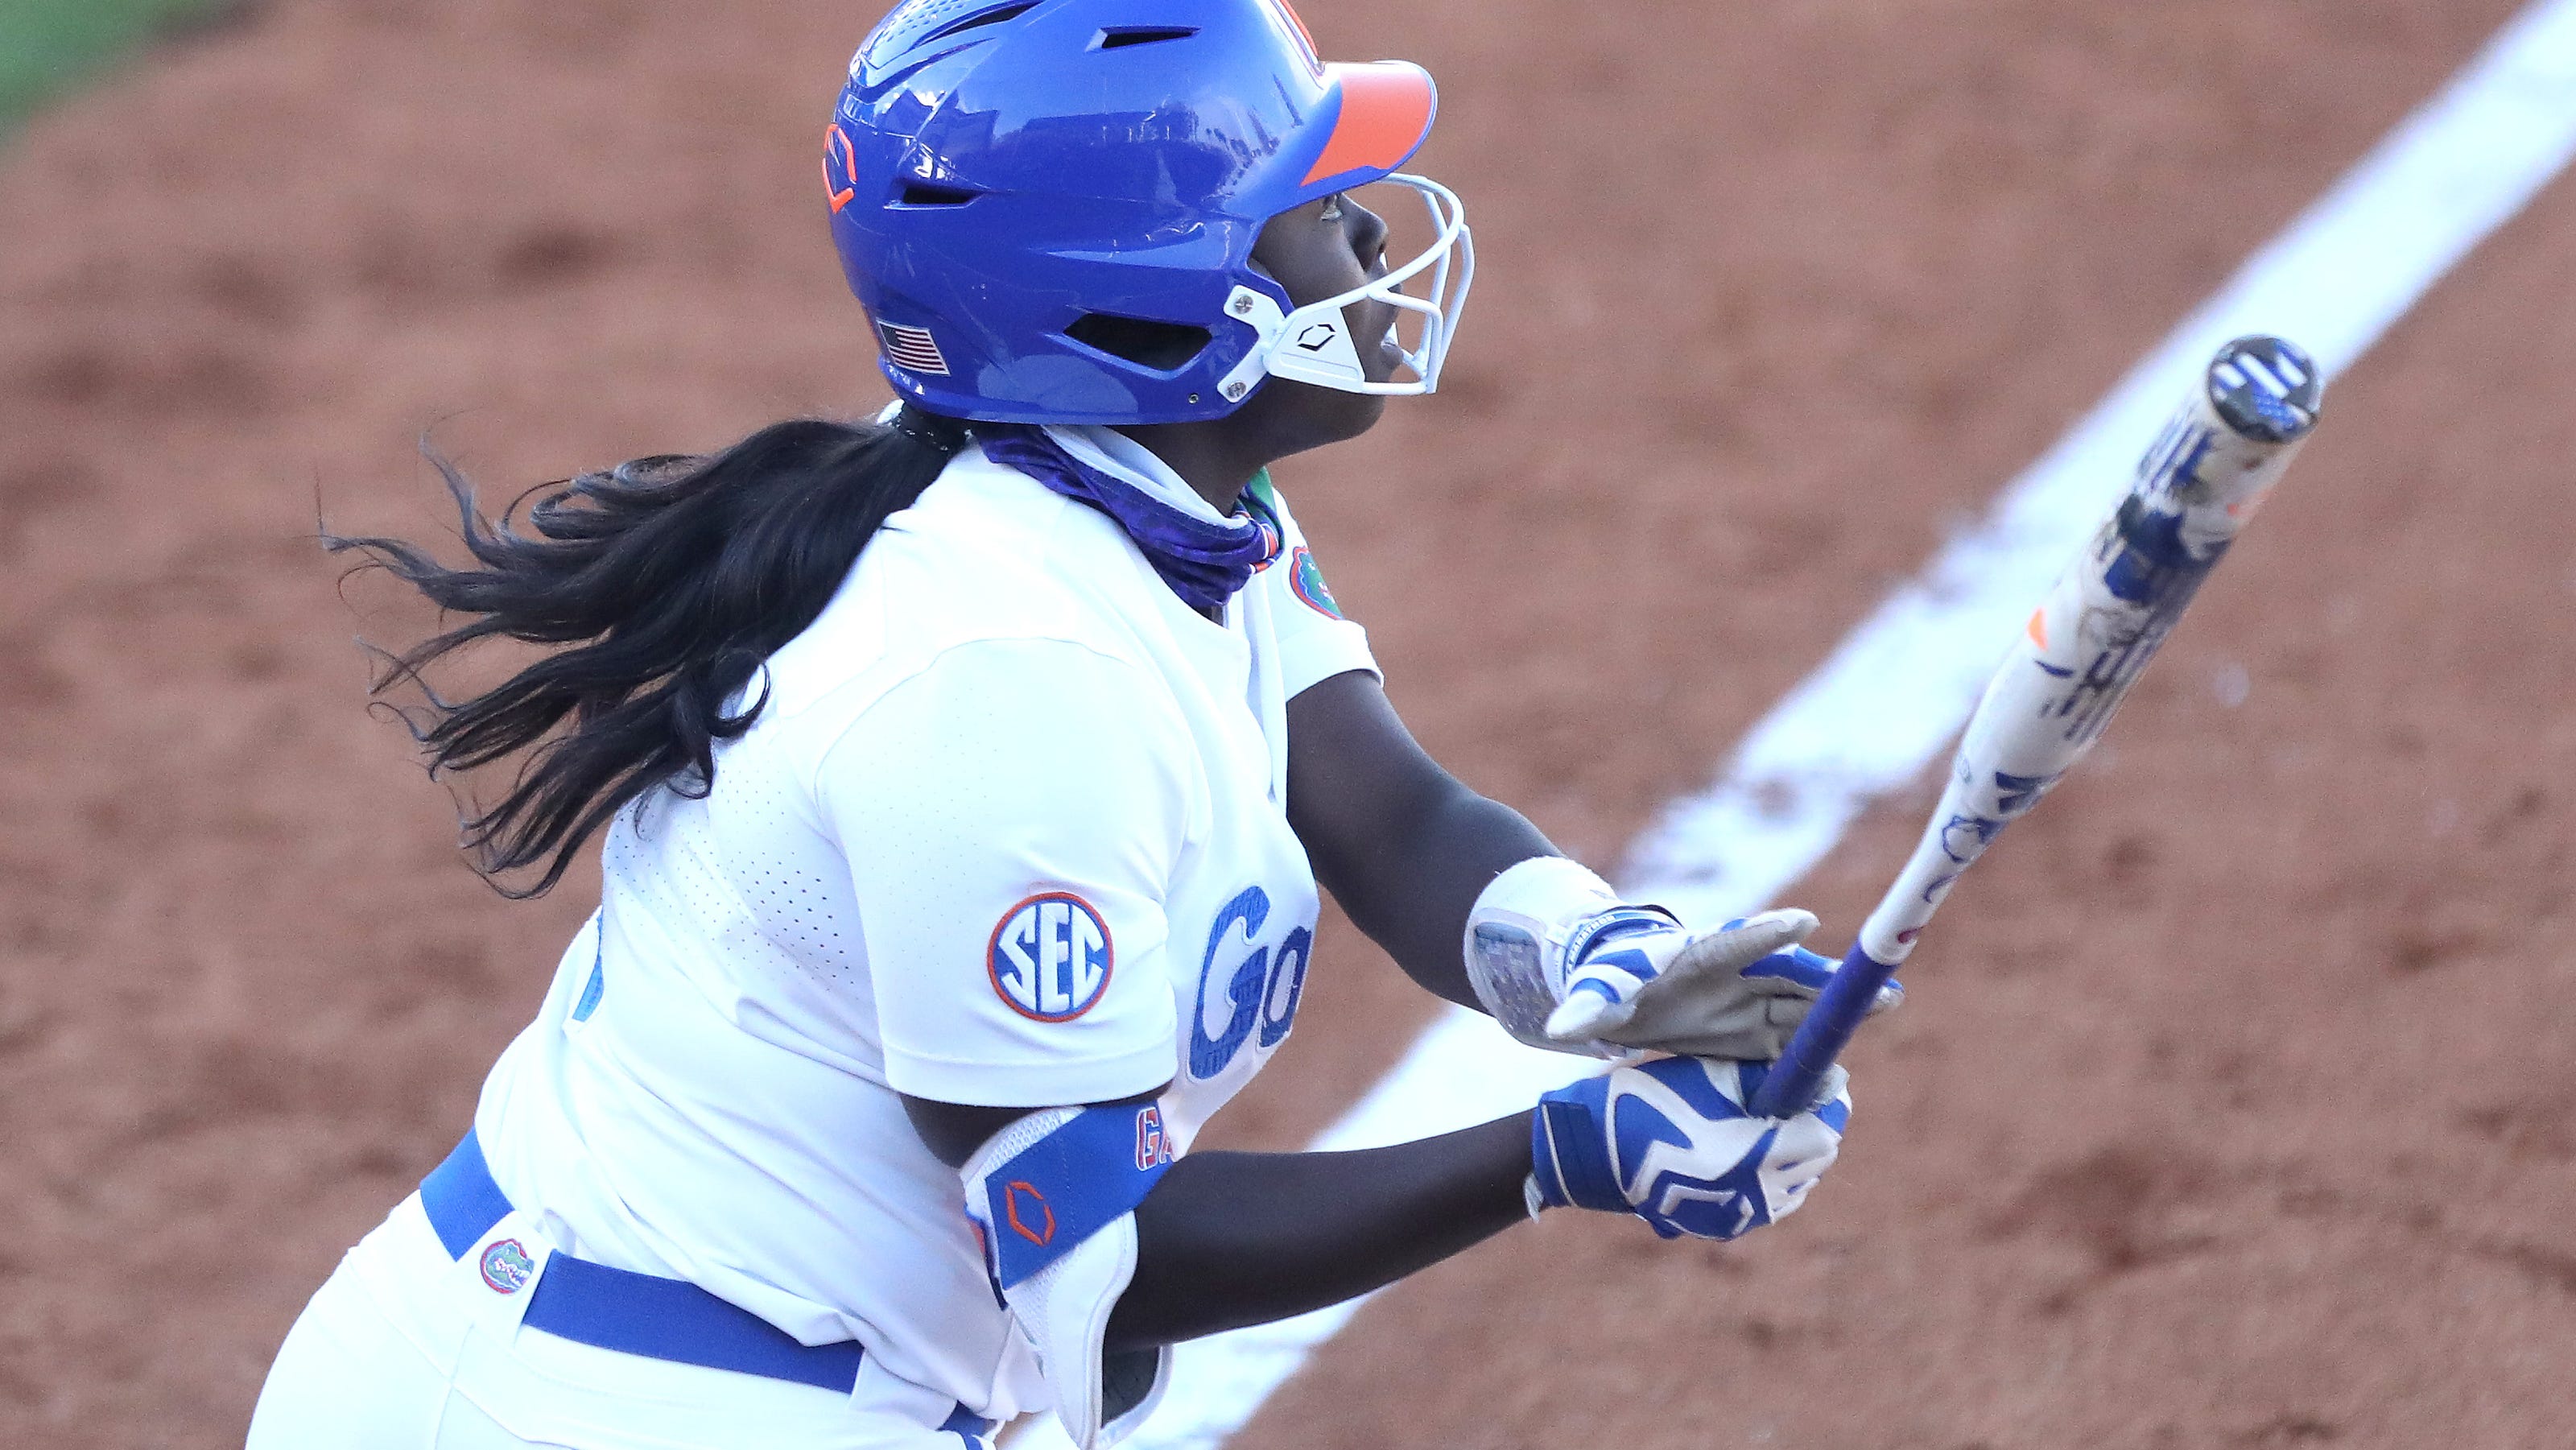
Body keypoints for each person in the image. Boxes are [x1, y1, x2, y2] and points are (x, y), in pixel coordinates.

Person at [246, 2, 1893, 1447]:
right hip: (593, 1413)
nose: (1377, 246)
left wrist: (1585, 949)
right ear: (1161, 304)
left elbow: (1378, 806)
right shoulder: (1000, 677)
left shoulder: (1125, 488)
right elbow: (1102, 1254)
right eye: (1316, 213)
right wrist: (1556, 1155)